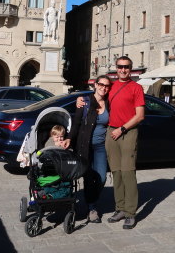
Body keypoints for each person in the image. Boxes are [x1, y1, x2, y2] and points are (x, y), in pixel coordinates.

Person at [79, 57, 144, 228]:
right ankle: (120, 208)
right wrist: (80, 100)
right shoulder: (112, 86)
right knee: (116, 172)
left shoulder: (136, 88)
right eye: (120, 67)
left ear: (131, 68)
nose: (123, 70)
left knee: (128, 172)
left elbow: (140, 115)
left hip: (127, 132)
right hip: (111, 133)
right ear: (116, 68)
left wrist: (122, 129)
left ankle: (130, 212)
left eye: (126, 67)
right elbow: (96, 95)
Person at [68, 75, 111, 223]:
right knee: (88, 177)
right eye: (101, 84)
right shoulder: (84, 102)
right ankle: (92, 208)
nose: (103, 87)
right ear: (95, 85)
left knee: (102, 177)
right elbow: (76, 124)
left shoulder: (109, 102)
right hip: (84, 146)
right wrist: (69, 138)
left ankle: (90, 199)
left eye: (106, 85)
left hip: (101, 147)